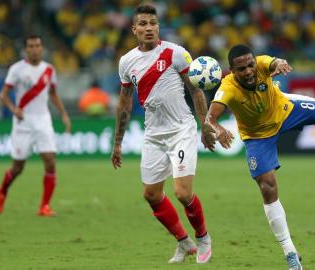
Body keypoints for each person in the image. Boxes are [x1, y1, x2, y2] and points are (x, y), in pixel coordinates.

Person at [204, 44, 315, 270]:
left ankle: (285, 94)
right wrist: (217, 129)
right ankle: (290, 253)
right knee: (267, 187)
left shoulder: (263, 64)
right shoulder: (228, 87)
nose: (248, 71)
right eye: (241, 69)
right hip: (257, 137)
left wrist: (281, 64)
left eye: (250, 65)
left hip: (285, 110)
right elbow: (210, 117)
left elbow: (274, 62)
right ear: (231, 70)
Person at [110, 4, 214, 264]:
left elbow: (196, 90)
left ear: (158, 27)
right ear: (134, 29)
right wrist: (117, 143)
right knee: (151, 195)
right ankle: (184, 242)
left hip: (181, 129)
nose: (149, 28)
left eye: (153, 23)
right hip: (153, 134)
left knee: (182, 193)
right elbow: (124, 103)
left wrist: (205, 125)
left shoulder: (176, 53)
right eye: (143, 24)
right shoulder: (126, 62)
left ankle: (203, 238)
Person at [0, 35, 71, 217]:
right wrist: (14, 109)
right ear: (26, 49)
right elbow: (3, 94)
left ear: (42, 48)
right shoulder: (17, 69)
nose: (35, 49)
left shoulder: (49, 70)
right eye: (31, 46)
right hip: (23, 122)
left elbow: (53, 93)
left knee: (50, 161)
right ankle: (3, 191)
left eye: (37, 45)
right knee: (18, 167)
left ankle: (44, 206)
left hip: (43, 120)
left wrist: (64, 114)